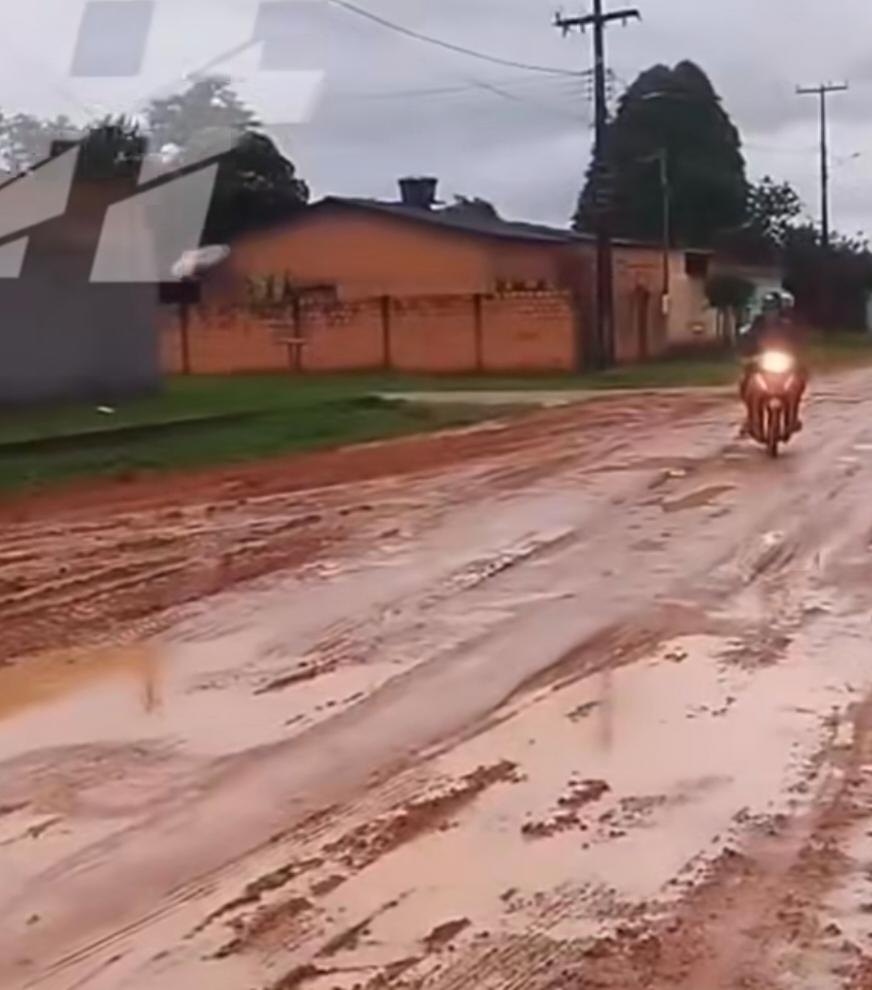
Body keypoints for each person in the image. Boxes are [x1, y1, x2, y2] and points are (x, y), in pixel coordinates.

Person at [738, 291, 808, 437]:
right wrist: (748, 355)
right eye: (768, 309)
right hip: (760, 364)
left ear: (779, 310)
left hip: (784, 364)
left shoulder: (786, 326)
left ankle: (793, 419)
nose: (771, 313)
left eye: (773, 309)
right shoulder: (756, 324)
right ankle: (751, 419)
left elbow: (798, 341)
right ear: (763, 310)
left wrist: (797, 355)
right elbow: (747, 339)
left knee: (797, 383)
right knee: (747, 385)